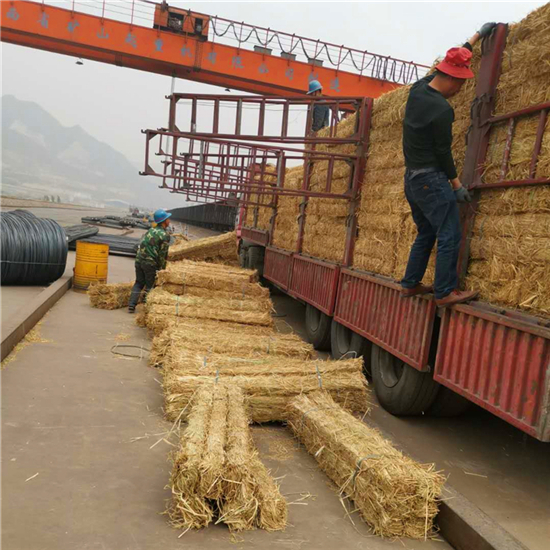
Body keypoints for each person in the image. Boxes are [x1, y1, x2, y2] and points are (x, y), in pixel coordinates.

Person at [400, 22, 497, 307]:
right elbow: (443, 152)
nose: (460, 89)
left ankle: (410, 284)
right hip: (430, 179)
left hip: (412, 180)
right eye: (462, 83)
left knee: (427, 231)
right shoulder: (442, 109)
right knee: (449, 233)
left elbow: (450, 59)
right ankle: (444, 292)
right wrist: (456, 185)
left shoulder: (418, 89)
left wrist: (475, 38)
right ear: (453, 80)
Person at [128, 208, 172, 313]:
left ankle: (131, 305)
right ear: (164, 221)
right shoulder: (164, 235)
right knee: (150, 286)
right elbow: (163, 254)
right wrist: (162, 269)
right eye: (168, 219)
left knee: (138, 283)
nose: (169, 220)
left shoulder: (150, 230)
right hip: (150, 263)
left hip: (139, 260)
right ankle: (146, 309)